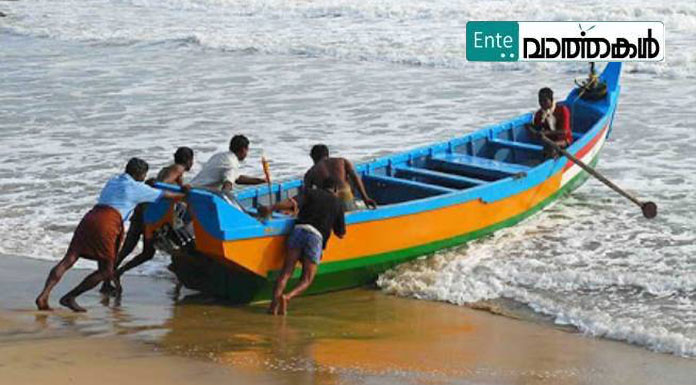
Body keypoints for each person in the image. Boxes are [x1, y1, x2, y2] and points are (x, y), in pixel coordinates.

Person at [35, 158, 185, 312]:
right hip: (107, 223)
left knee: (70, 258)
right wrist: (185, 193)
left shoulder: (113, 181)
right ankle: (70, 297)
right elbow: (167, 195)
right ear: (140, 174)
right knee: (106, 270)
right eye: (143, 175)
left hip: (90, 217)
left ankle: (44, 296)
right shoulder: (137, 188)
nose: (144, 179)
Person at [100, 147, 194, 295]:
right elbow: (161, 184)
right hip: (150, 216)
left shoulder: (169, 168)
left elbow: (169, 184)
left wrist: (182, 187)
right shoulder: (178, 169)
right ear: (189, 161)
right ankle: (117, 273)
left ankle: (108, 280)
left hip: (142, 211)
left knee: (129, 249)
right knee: (152, 252)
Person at [263, 177, 346, 315]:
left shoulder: (310, 192)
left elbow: (291, 203)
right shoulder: (338, 204)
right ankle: (287, 297)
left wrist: (272, 207)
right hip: (315, 237)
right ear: (336, 190)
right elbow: (341, 233)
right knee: (307, 279)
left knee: (286, 272)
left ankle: (273, 306)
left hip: (298, 230)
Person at [303, 144, 377, 211]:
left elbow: (307, 195)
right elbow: (355, 178)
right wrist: (365, 198)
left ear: (313, 157)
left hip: (329, 201)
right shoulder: (342, 161)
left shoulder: (311, 172)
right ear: (327, 154)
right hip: (346, 196)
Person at [190, 135, 266, 192]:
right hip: (201, 193)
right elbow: (228, 185)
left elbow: (237, 179)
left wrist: (261, 181)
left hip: (191, 188)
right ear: (243, 150)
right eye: (247, 150)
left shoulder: (219, 156)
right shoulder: (232, 163)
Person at [531, 87, 573, 156]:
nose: (542, 103)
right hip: (549, 141)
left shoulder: (562, 110)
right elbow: (537, 127)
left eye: (545, 101)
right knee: (548, 148)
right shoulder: (539, 114)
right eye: (540, 101)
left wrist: (547, 133)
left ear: (551, 100)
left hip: (564, 140)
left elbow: (564, 131)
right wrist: (532, 129)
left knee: (551, 147)